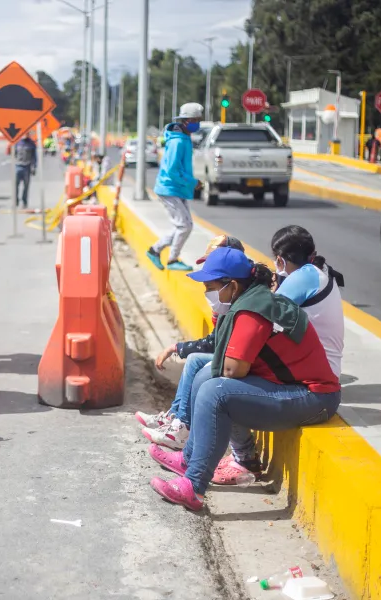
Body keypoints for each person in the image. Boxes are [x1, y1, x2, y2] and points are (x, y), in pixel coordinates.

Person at [148, 247, 341, 511]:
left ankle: (194, 486)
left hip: (314, 396)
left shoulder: (253, 311)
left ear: (233, 286)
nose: (207, 294)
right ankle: (190, 459)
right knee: (204, 373)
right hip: (288, 386)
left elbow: (232, 371)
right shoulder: (249, 301)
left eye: (211, 287)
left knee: (216, 391)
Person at [136, 235, 246, 450]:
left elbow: (217, 343)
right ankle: (176, 418)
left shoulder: (238, 301)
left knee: (197, 362)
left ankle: (182, 427)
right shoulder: (227, 297)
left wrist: (178, 348)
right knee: (196, 360)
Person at [146, 102, 204, 272]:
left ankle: (155, 250)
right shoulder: (178, 142)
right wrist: (193, 182)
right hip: (169, 188)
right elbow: (172, 171)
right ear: (186, 121)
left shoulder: (183, 139)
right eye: (195, 120)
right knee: (184, 226)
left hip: (177, 189)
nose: (197, 123)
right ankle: (171, 259)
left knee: (184, 225)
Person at [14, 133, 37, 208]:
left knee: (26, 186)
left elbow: (34, 157)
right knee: (16, 185)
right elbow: (14, 153)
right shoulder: (17, 143)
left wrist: (34, 167)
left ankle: (24, 201)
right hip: (18, 166)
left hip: (27, 167)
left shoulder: (31, 144)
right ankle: (16, 200)